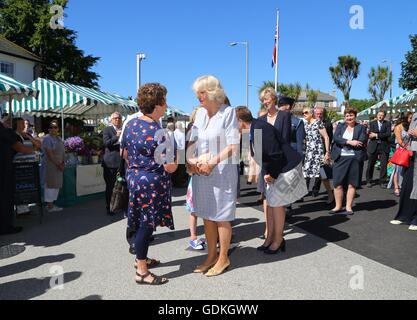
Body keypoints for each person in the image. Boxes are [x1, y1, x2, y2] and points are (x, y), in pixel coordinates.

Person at [122, 83, 176, 285]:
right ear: (159, 104)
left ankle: (141, 260)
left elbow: (125, 154)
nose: (166, 105)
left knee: (139, 221)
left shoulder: (131, 124)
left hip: (134, 179)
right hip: (152, 183)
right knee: (147, 225)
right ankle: (142, 270)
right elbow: (170, 167)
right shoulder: (159, 132)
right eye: (165, 101)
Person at [187, 75, 239, 277]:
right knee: (207, 215)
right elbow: (193, 141)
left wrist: (212, 162)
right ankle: (211, 255)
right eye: (197, 93)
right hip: (201, 171)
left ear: (212, 92)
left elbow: (233, 147)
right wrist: (191, 161)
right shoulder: (199, 114)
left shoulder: (228, 112)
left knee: (221, 216)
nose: (198, 96)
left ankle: (223, 257)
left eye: (202, 92)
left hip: (222, 172)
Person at [236, 106, 306, 253]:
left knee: (277, 204)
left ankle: (278, 240)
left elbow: (275, 154)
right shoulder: (252, 129)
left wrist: (272, 174)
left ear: (240, 121)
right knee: (272, 203)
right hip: (276, 168)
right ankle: (271, 238)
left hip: (286, 167)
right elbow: (262, 155)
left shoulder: (260, 129)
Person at [257, 88, 292, 239]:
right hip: (265, 165)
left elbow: (284, 142)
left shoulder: (284, 116)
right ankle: (268, 231)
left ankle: (278, 236)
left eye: (267, 99)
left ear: (274, 99)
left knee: (278, 201)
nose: (265, 102)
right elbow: (257, 146)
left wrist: (274, 170)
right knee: (267, 199)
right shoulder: (261, 120)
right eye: (263, 100)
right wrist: (264, 169)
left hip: (279, 165)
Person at [0, 115, 34, 235]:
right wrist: (34, 151)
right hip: (4, 170)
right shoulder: (5, 131)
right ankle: (5, 227)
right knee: (5, 198)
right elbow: (20, 148)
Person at [330, 108, 367, 215]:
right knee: (337, 183)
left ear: (355, 116)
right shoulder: (340, 126)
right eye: (347, 116)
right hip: (340, 158)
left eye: (351, 115)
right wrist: (350, 142)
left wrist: (346, 142)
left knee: (352, 184)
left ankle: (348, 207)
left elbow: (361, 140)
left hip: (354, 159)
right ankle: (337, 206)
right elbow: (336, 138)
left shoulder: (361, 127)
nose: (349, 118)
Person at [390, 112, 417, 230]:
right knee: (407, 185)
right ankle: (405, 216)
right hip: (411, 153)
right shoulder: (415, 114)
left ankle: (415, 219)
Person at [185, 107, 205, 250]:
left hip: (205, 173)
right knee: (194, 209)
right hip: (197, 174)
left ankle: (209, 236)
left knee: (205, 208)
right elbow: (188, 155)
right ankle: (193, 237)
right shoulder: (193, 131)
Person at [41, 120, 65, 213]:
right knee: (50, 185)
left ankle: (52, 204)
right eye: (51, 127)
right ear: (48, 129)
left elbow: (62, 152)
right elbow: (50, 154)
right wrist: (59, 164)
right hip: (50, 165)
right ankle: (49, 206)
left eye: (55, 127)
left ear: (58, 129)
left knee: (56, 185)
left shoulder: (59, 139)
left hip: (58, 164)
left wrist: (62, 163)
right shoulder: (47, 139)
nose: (53, 129)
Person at [103, 112, 123, 216]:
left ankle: (119, 205)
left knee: (121, 186)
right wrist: (116, 137)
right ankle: (109, 208)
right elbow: (106, 144)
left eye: (119, 118)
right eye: (115, 118)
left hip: (121, 162)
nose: (117, 120)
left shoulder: (124, 129)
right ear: (111, 120)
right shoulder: (107, 130)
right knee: (110, 187)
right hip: (110, 163)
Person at [312, 106, 334, 200]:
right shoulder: (309, 123)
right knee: (305, 175)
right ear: (314, 114)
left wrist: (327, 152)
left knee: (323, 173)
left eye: (320, 114)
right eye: (317, 114)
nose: (319, 115)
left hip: (322, 152)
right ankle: (301, 195)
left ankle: (329, 194)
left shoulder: (328, 124)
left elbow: (329, 138)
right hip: (310, 152)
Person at [388, 112, 413, 196]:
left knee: (406, 170)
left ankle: (404, 186)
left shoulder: (411, 127)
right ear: (405, 118)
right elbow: (399, 141)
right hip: (401, 149)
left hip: (410, 150)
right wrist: (408, 148)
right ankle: (396, 187)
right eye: (410, 118)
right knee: (398, 169)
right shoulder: (398, 127)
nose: (411, 119)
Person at [366, 109, 392, 188]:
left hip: (384, 146)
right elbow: (370, 134)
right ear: (376, 115)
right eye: (379, 115)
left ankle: (382, 181)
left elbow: (388, 134)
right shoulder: (372, 123)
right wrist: (378, 135)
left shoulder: (387, 123)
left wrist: (376, 135)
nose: (380, 116)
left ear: (384, 116)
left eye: (382, 115)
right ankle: (369, 180)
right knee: (371, 164)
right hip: (373, 146)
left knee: (384, 165)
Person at [172, 121, 187, 187]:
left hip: (174, 151)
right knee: (181, 168)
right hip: (181, 151)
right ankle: (179, 182)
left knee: (176, 168)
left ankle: (174, 181)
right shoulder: (181, 133)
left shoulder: (173, 132)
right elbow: (183, 144)